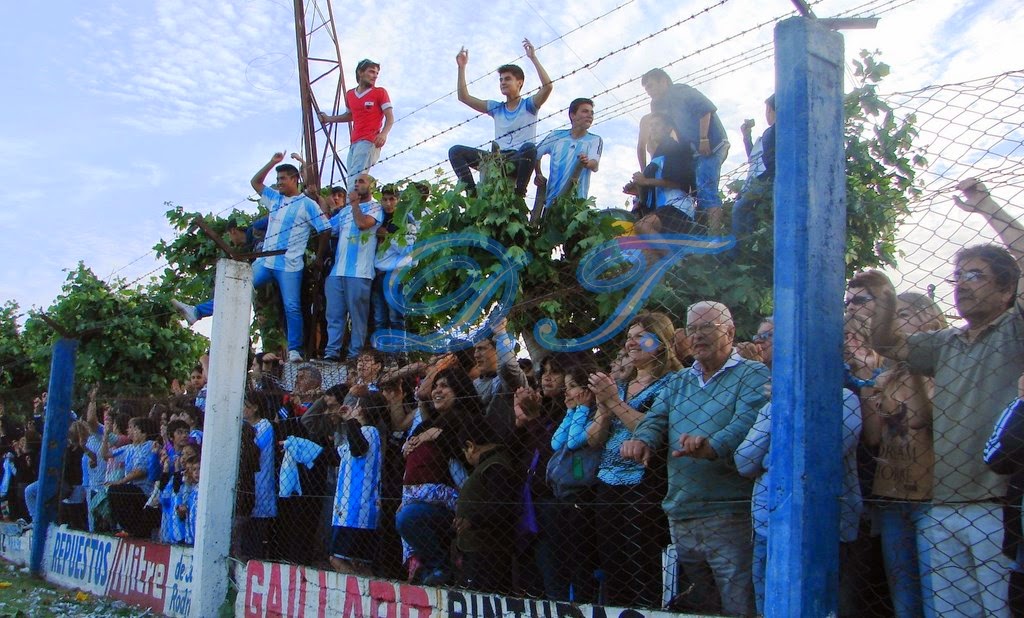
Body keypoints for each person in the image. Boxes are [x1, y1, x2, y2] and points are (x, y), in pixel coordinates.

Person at [622, 301, 769, 616]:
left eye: (707, 327)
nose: (697, 336)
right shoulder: (680, 381)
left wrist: (712, 446)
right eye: (692, 329)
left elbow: (747, 420)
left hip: (729, 512)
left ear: (729, 332)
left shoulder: (752, 374)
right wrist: (642, 439)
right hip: (681, 510)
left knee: (737, 603)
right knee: (699, 606)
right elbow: (655, 417)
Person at [173, 153, 332, 363]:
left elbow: (325, 229)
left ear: (295, 179)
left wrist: (319, 258)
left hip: (290, 264)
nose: (278, 183)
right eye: (277, 179)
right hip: (266, 261)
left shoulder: (307, 204)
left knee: (291, 306)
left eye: (282, 178)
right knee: (237, 288)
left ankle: (295, 350)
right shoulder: (275, 199)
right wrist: (272, 163)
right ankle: (198, 312)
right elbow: (255, 182)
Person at [587, 312, 681, 608]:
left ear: (661, 340)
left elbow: (656, 428)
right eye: (629, 336)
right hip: (607, 481)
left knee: (640, 559)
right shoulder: (622, 385)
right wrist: (603, 406)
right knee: (613, 561)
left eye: (641, 335)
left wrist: (614, 402)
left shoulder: (672, 383)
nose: (632, 342)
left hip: (644, 485)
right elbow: (593, 439)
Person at [862, 292, 946, 618]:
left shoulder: (941, 371)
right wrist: (870, 387)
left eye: (905, 314)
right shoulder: (887, 377)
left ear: (932, 323)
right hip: (891, 497)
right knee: (903, 596)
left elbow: (924, 420)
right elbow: (872, 437)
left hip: (930, 498)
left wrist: (913, 367)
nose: (895, 323)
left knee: (936, 595)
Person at [449, 39, 553, 198]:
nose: (503, 82)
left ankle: (520, 193)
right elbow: (464, 97)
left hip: (518, 158)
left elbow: (548, 86)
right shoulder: (497, 108)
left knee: (530, 148)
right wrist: (461, 68)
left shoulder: (528, 106)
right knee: (456, 151)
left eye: (507, 79)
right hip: (497, 159)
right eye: (501, 79)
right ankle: (472, 193)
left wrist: (533, 58)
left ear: (520, 82)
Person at [638, 68, 728, 230]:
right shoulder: (666, 104)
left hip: (711, 145)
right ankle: (703, 232)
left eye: (651, 86)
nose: (649, 92)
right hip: (696, 151)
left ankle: (715, 236)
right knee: (698, 191)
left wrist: (703, 138)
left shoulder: (681, 92)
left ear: (664, 81)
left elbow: (706, 110)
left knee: (706, 188)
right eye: (646, 89)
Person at [454, 412, 521, 593]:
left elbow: (501, 507)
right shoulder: (490, 464)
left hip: (488, 552)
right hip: (479, 549)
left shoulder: (495, 466)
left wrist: (472, 520)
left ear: (470, 446)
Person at [324, 173, 383, 362]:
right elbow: (326, 228)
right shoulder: (344, 212)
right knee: (334, 315)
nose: (357, 184)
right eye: (355, 182)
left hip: (360, 273)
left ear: (371, 186)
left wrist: (355, 204)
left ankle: (354, 355)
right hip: (337, 272)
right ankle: (332, 353)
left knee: (358, 317)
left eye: (361, 182)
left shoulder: (376, 207)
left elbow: (363, 224)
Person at [328, 388, 386, 575]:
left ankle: (362, 593)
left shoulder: (368, 432)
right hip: (358, 509)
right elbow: (337, 454)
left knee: (336, 558)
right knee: (360, 563)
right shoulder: (366, 433)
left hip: (353, 510)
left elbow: (358, 448)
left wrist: (351, 422)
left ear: (361, 409)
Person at [319, 59, 395, 190]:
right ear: (360, 72)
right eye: (371, 72)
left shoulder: (379, 92)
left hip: (370, 140)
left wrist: (383, 134)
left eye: (376, 73)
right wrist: (329, 119)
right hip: (354, 141)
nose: (375, 76)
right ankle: (354, 203)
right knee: (353, 175)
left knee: (356, 177)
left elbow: (390, 117)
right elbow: (350, 115)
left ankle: (351, 205)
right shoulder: (350, 95)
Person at [628, 113, 698, 235]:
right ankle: (669, 254)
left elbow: (678, 182)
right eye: (651, 125)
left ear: (668, 128)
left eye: (657, 125)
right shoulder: (658, 154)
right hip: (662, 209)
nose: (653, 128)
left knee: (643, 227)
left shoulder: (674, 148)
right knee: (647, 246)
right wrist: (639, 186)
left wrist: (645, 181)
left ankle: (669, 255)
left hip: (678, 207)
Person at [533, 98, 603, 217]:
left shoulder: (595, 140)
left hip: (576, 205)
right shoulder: (556, 136)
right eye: (585, 111)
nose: (590, 115)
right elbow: (535, 154)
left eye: (592, 113)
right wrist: (538, 173)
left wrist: (585, 163)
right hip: (551, 201)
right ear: (573, 115)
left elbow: (594, 164)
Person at [372, 184, 417, 339]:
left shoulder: (407, 220)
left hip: (395, 274)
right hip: (378, 273)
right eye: (384, 199)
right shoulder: (378, 218)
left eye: (392, 199)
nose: (388, 203)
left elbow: (409, 250)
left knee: (396, 318)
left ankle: (400, 358)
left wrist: (389, 237)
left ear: (398, 200)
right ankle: (386, 358)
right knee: (379, 319)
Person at [731, 94, 776, 244]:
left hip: (764, 181)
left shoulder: (773, 132)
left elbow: (762, 161)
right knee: (750, 216)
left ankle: (736, 250)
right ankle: (748, 246)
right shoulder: (768, 134)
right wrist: (747, 137)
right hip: (762, 182)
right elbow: (755, 157)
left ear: (770, 110)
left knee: (739, 210)